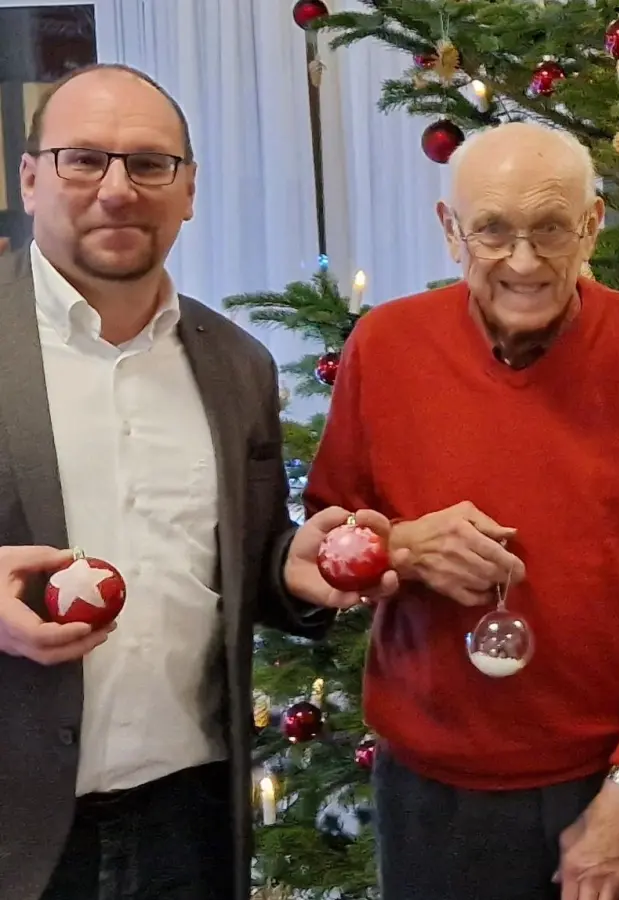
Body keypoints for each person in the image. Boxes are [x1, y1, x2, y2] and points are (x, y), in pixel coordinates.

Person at [301, 120, 619, 900]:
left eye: (551, 229)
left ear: (593, 225)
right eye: (493, 231)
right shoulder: (385, 347)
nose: (524, 261)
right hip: (439, 793)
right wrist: (399, 546)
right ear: (450, 232)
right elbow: (329, 541)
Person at [0, 64, 398, 900]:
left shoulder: (235, 364)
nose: (118, 189)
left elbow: (239, 562)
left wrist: (294, 566)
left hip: (190, 826)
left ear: (188, 190)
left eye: (149, 165)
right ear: (30, 177)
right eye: (83, 160)